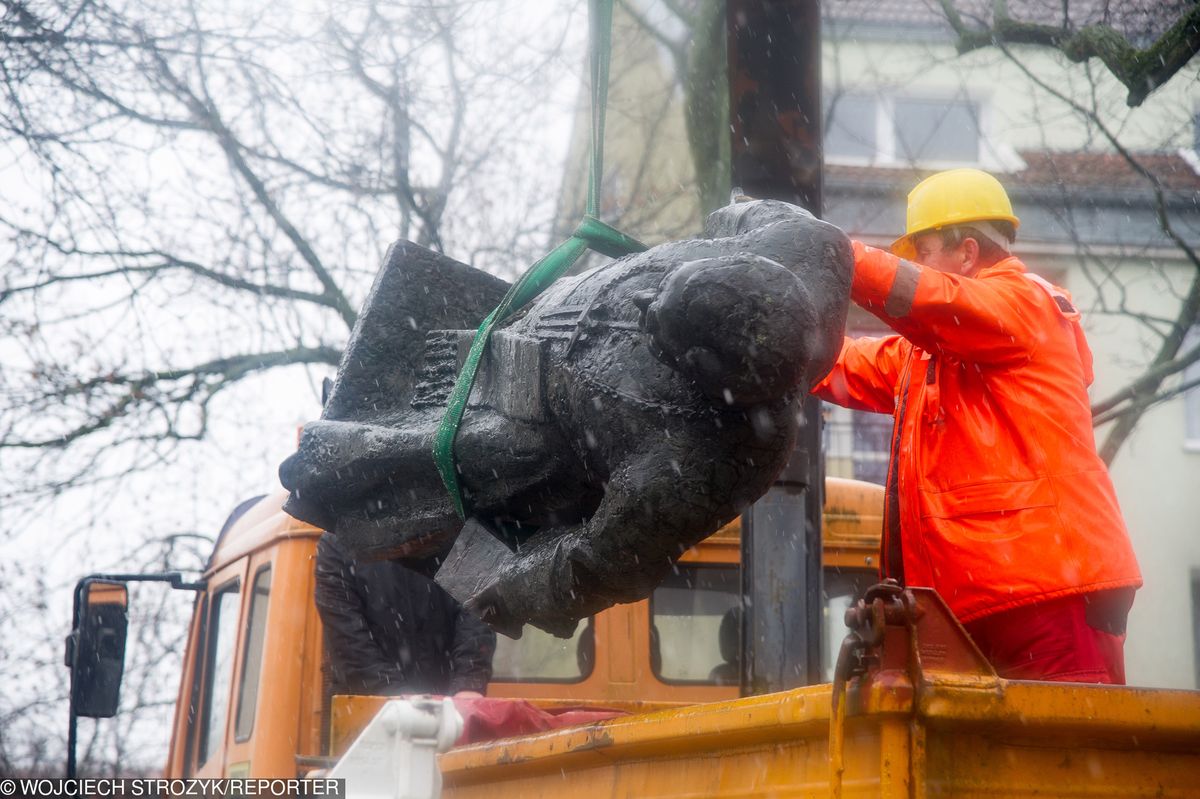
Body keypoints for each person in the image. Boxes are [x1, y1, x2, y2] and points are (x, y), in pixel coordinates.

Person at [814, 168, 1142, 684]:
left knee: (1060, 754)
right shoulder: (928, 352)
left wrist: (828, 256)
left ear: (967, 253)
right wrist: (765, 334)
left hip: (1046, 596)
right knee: (1023, 760)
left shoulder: (1028, 302)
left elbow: (932, 300)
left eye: (922, 253)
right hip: (975, 605)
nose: (915, 268)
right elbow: (841, 365)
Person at [314, 531, 496, 696]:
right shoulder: (337, 542)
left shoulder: (340, 541)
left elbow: (476, 609)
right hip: (378, 714)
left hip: (390, 712)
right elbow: (349, 642)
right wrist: (467, 685)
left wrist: (468, 684)